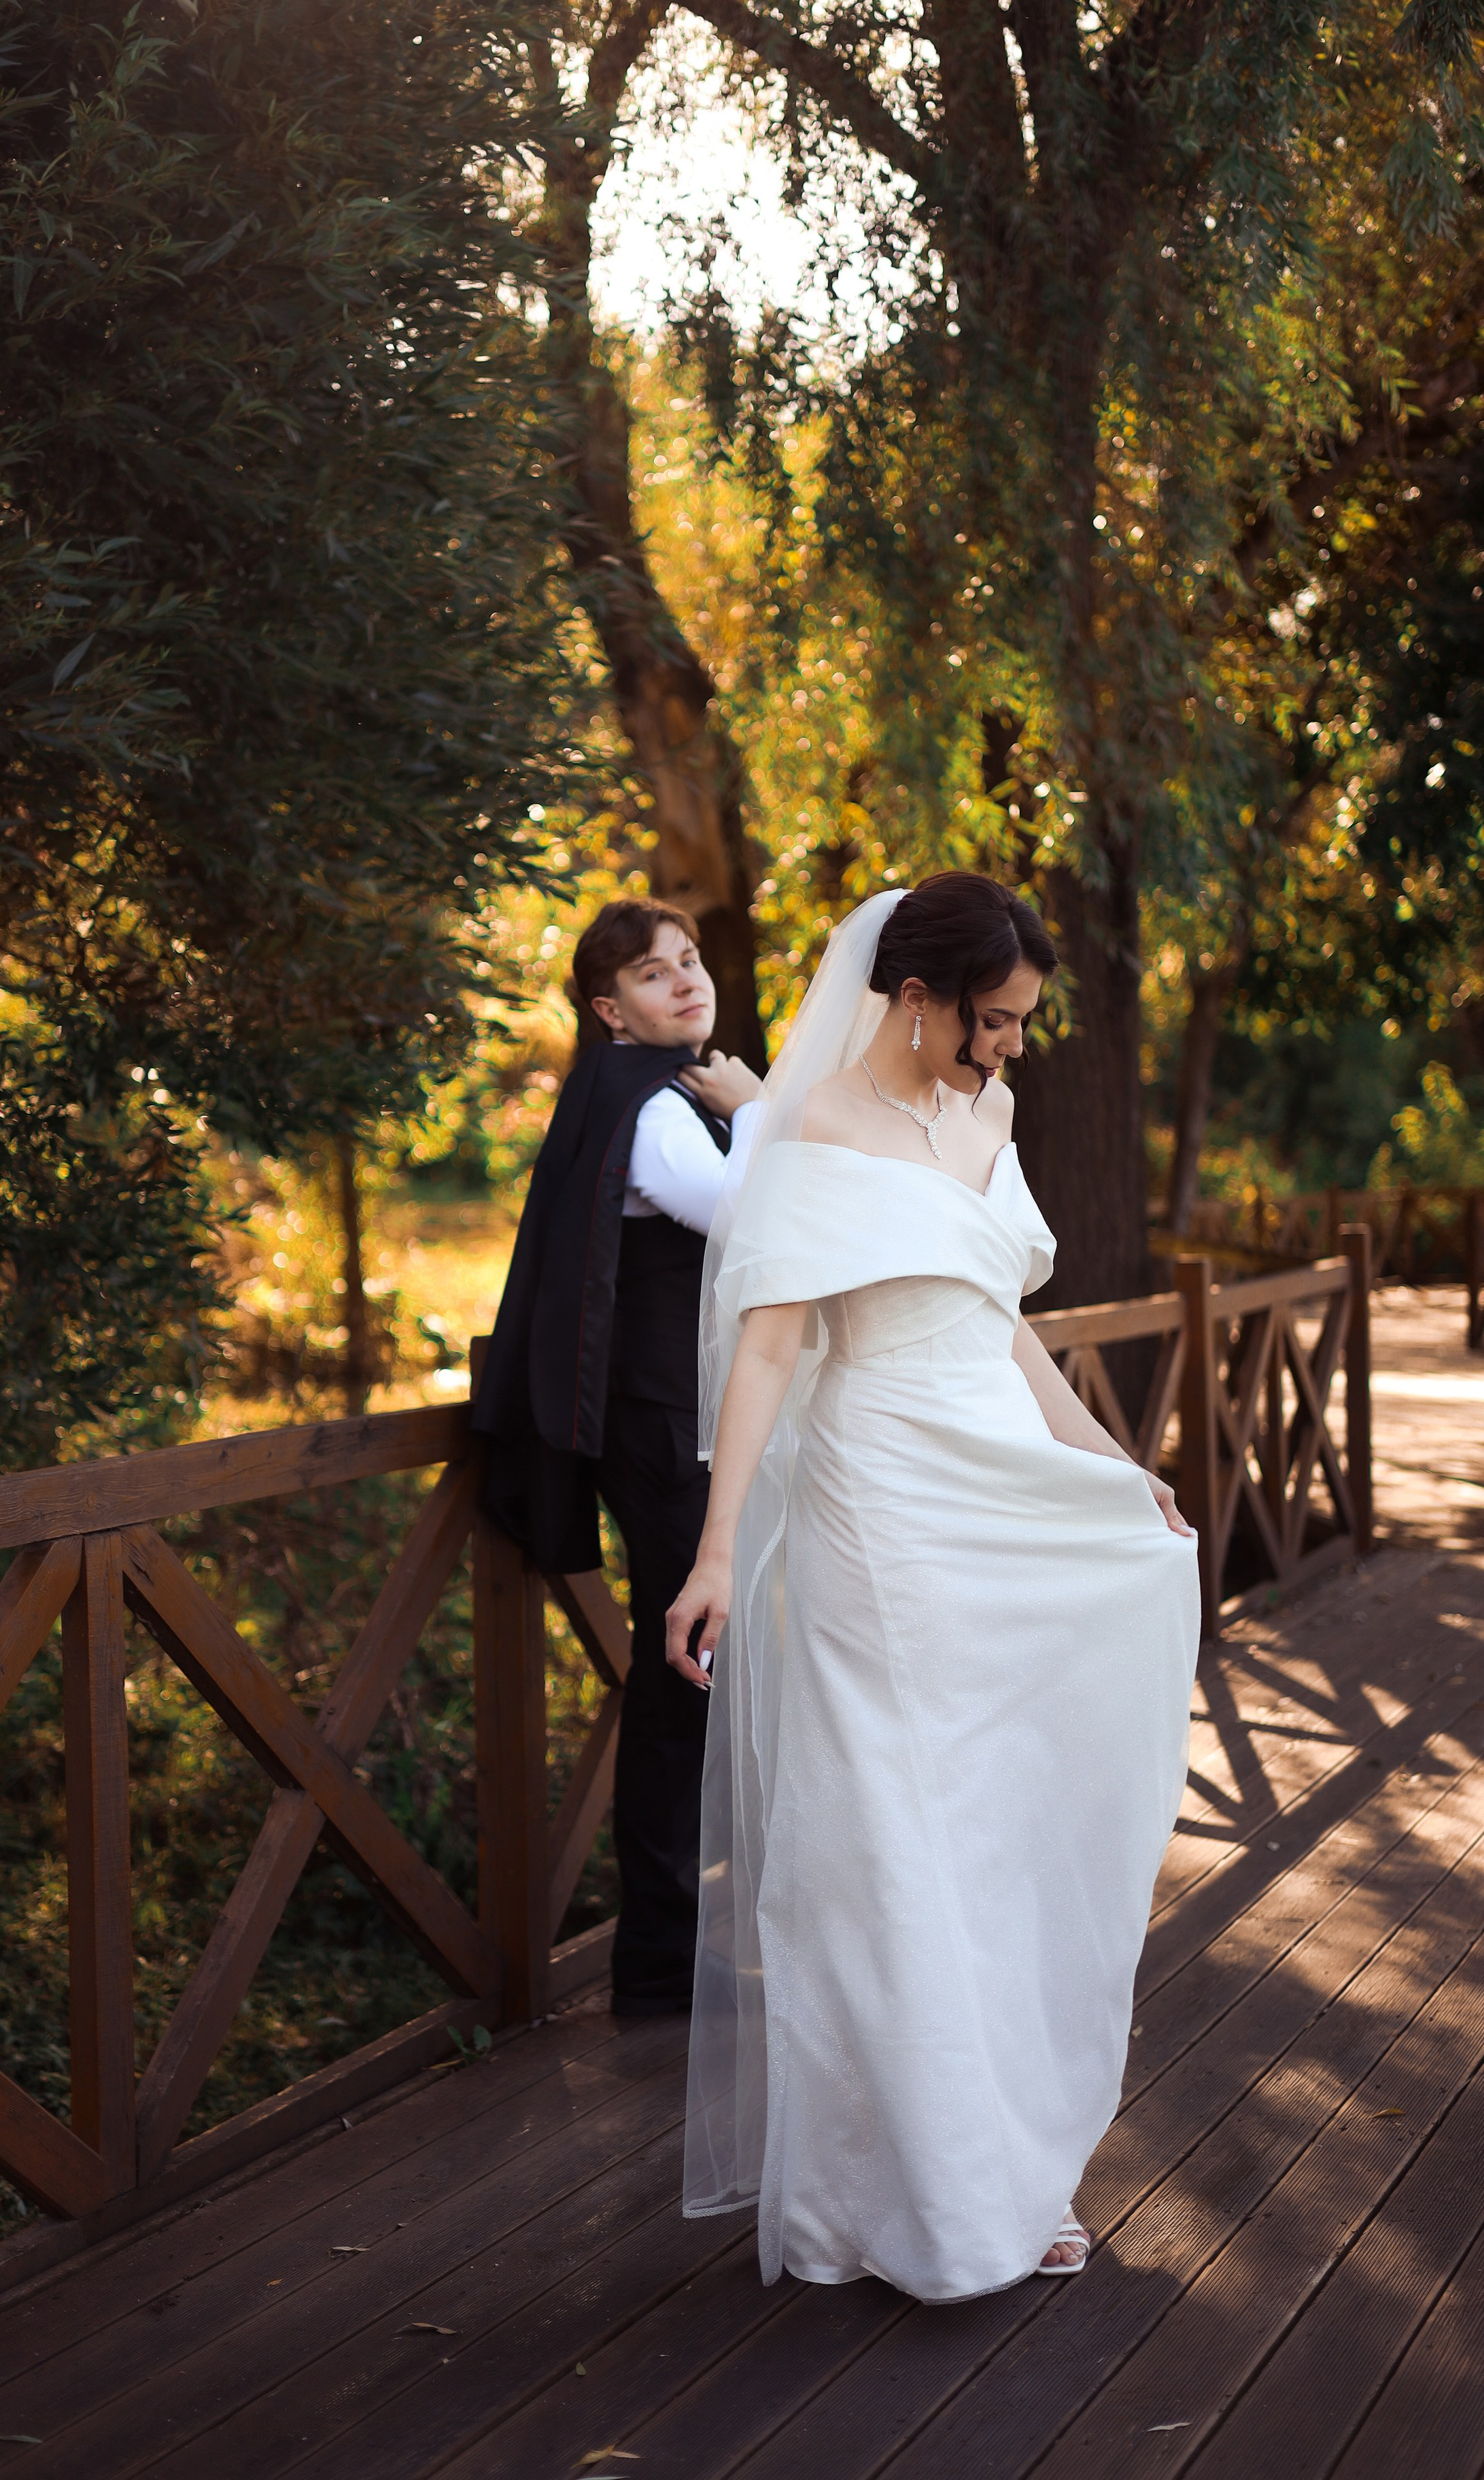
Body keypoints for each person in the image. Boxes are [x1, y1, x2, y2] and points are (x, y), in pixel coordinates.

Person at [664, 874, 1200, 2298]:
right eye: (993, 1020)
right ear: (913, 998)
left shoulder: (991, 1115)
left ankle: (1007, 2162)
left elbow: (1004, 1329)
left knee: (998, 1819)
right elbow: (769, 1349)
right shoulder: (815, 1132)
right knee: (894, 1835)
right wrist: (717, 1552)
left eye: (1021, 1022)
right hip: (877, 1501)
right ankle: (917, 2192)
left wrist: (1111, 1467)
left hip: (990, 1476)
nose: (1009, 1046)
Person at [474, 899, 762, 2015]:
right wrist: (763, 1109)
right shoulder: (649, 1106)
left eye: (689, 961)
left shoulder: (649, 1091)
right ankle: (657, 1959)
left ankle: (676, 1947)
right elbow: (746, 1212)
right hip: (662, 1429)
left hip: (683, 1421)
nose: (686, 981)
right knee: (685, 1670)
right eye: (653, 973)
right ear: (610, 1009)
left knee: (689, 1668)